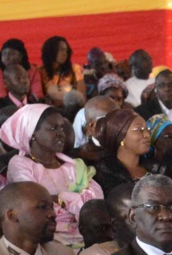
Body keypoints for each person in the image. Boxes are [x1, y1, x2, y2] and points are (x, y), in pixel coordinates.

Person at [1, 104, 103, 247]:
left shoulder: (73, 165)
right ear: (33, 134)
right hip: (49, 241)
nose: (61, 133)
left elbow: (95, 201)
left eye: (62, 127)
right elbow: (36, 204)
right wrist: (77, 200)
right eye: (53, 128)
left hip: (87, 235)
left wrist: (61, 198)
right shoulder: (20, 163)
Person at [93, 109, 151, 194]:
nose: (147, 135)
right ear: (120, 136)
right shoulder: (105, 172)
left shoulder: (156, 168)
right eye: (138, 129)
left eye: (147, 129)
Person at [136, 70, 172, 135]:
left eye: (171, 85)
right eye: (161, 85)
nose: (167, 89)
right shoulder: (141, 112)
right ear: (155, 89)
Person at [38, 36, 84, 107]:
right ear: (51, 51)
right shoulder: (40, 71)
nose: (64, 54)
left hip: (71, 108)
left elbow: (82, 96)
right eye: (61, 50)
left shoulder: (75, 69)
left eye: (66, 50)